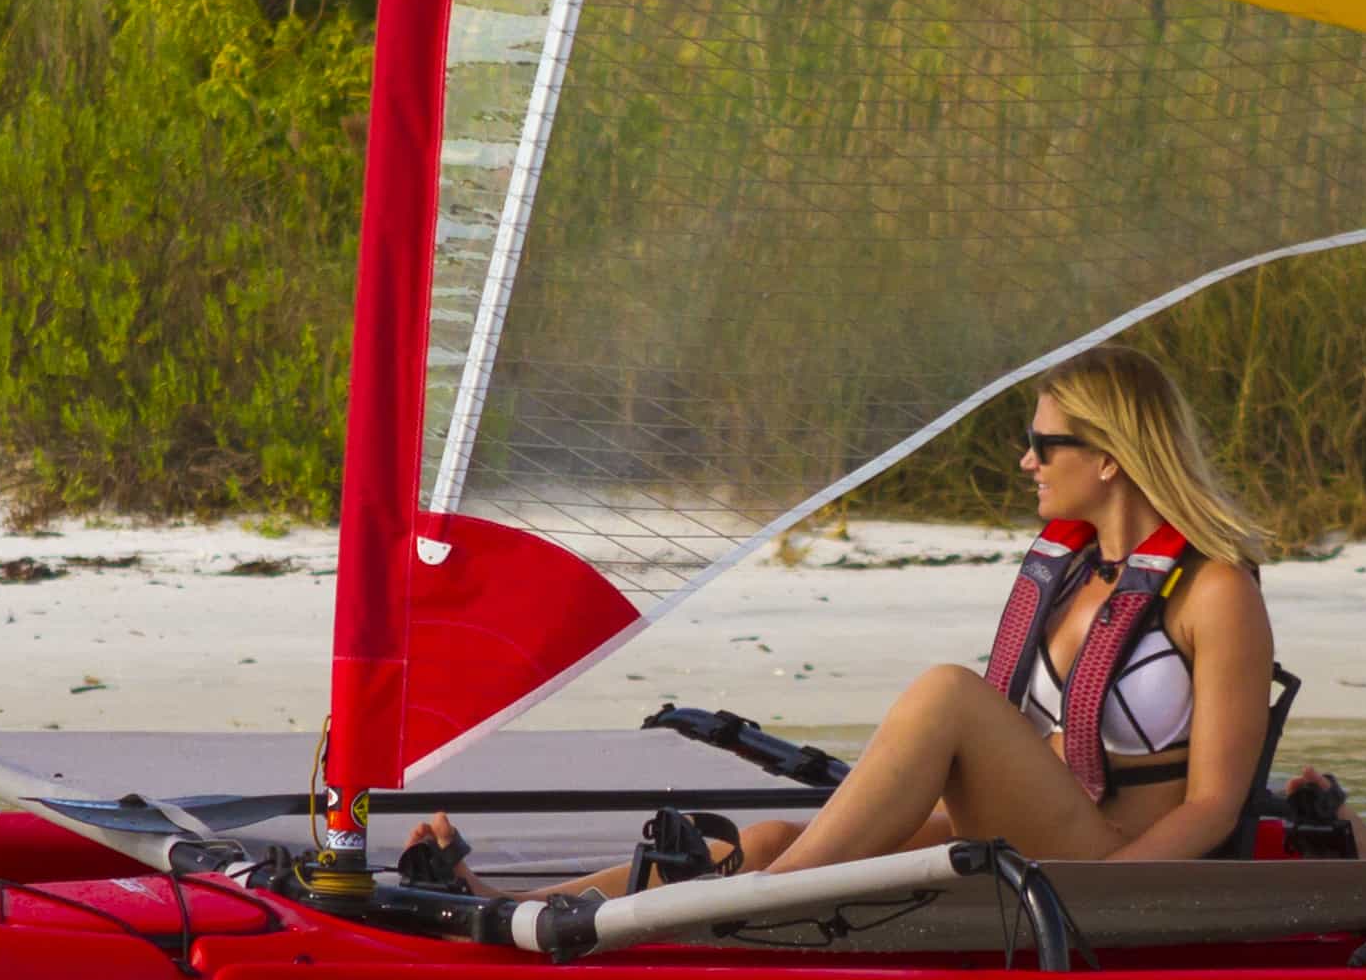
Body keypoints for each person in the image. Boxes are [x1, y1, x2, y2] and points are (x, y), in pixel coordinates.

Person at [422, 345, 1283, 892]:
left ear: (1107, 457)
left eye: (1043, 446)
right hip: (1037, 828)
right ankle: (519, 911)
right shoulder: (1072, 575)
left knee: (949, 694)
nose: (1025, 461)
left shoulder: (1217, 594)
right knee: (763, 840)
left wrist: (1110, 895)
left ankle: (755, 907)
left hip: (1104, 862)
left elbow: (1212, 806)